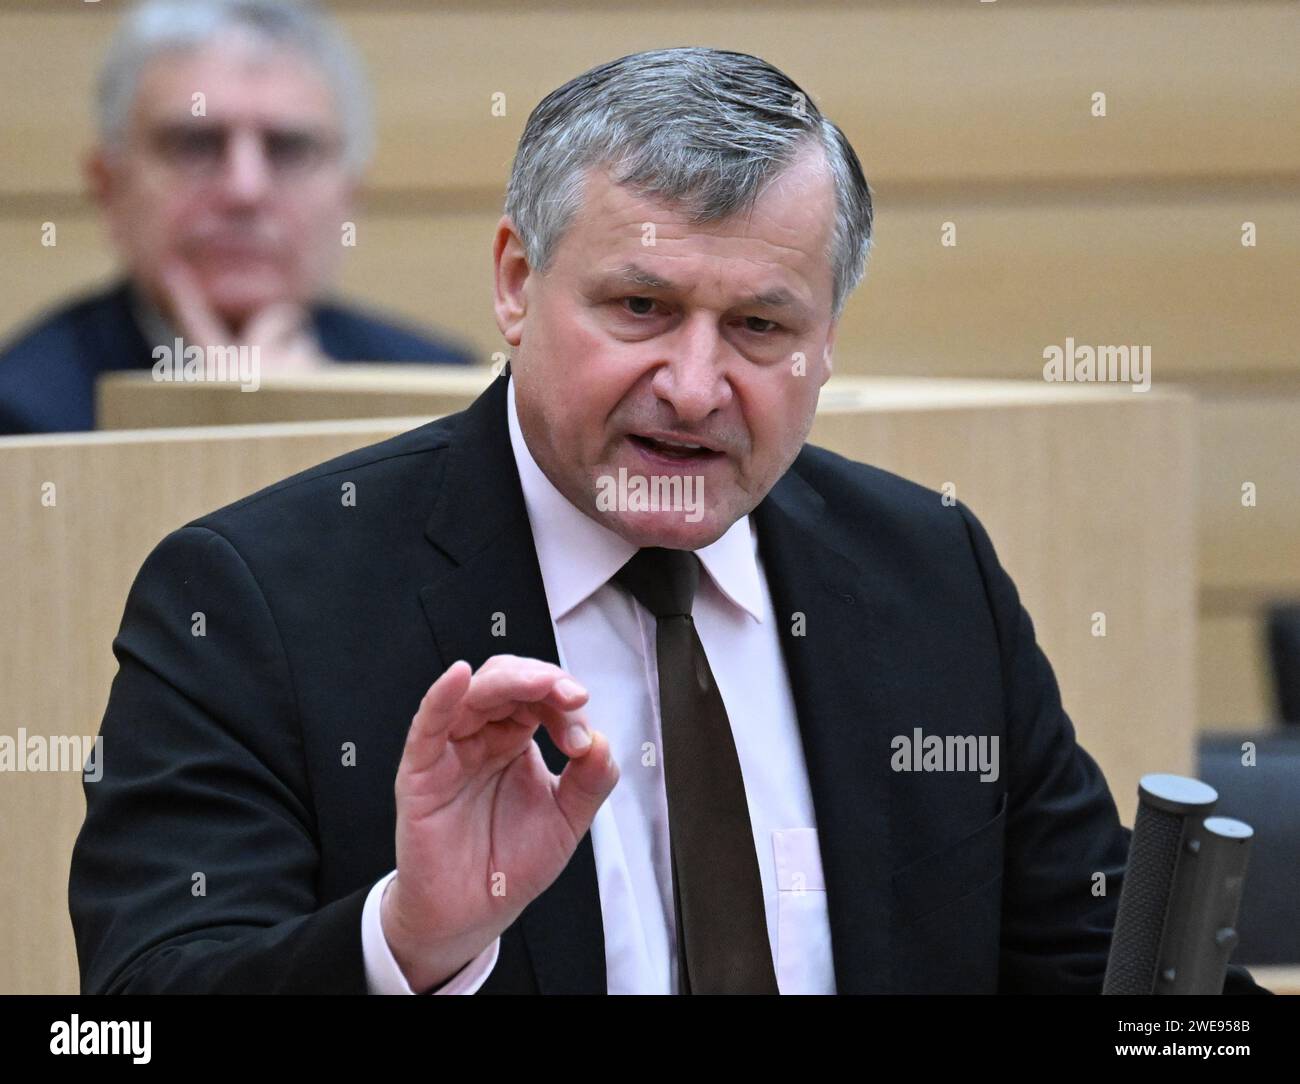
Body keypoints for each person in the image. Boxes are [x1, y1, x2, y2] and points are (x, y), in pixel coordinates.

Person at [68, 47, 1267, 995]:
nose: (695, 387)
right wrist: (409, 939)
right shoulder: (255, 598)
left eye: (759, 326)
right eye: (640, 307)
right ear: (513, 285)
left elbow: (1093, 962)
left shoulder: (925, 571)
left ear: (828, 340)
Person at [0, 0, 475, 436]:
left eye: (288, 149)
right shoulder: (21, 410)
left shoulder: (447, 402)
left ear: (348, 195)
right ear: (109, 188)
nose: (245, 190)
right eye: (196, 144)